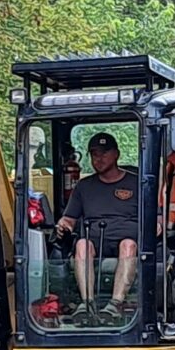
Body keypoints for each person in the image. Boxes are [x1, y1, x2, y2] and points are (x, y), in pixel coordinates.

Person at [55, 131, 139, 320]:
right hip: (95, 241)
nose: (98, 159)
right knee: (81, 244)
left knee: (128, 245)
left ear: (116, 154)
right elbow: (69, 219)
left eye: (103, 153)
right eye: (94, 154)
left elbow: (157, 220)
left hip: (128, 243)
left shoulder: (137, 184)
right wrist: (63, 225)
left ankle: (115, 304)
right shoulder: (84, 187)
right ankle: (87, 304)